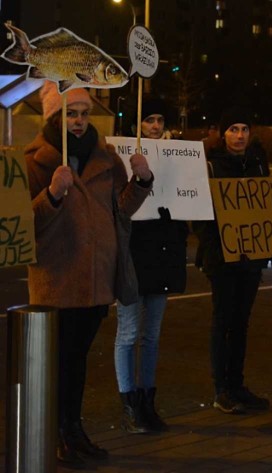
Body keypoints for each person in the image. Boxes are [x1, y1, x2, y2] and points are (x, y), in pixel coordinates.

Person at [25, 81, 152, 468]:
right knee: (60, 361)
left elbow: (122, 210)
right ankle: (57, 433)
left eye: (82, 113)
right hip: (58, 280)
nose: (78, 122)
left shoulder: (107, 157)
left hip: (97, 280)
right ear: (54, 117)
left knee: (78, 360)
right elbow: (24, 224)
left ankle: (73, 429)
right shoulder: (34, 160)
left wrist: (142, 181)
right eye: (70, 114)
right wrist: (52, 194)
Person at [114, 96, 189, 434]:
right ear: (136, 126)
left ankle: (147, 401)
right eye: (149, 121)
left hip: (163, 254)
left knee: (153, 335)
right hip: (132, 254)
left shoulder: (177, 157)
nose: (156, 126)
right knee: (129, 333)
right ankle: (129, 401)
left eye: (159, 120)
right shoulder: (119, 158)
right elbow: (118, 208)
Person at [193, 107, 271, 415]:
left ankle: (238, 384)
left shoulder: (259, 163)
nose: (239, 135)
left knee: (242, 322)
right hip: (222, 258)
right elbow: (200, 214)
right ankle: (221, 388)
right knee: (222, 321)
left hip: (251, 257)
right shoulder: (210, 165)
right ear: (222, 133)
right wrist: (215, 244)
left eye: (244, 129)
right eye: (233, 129)